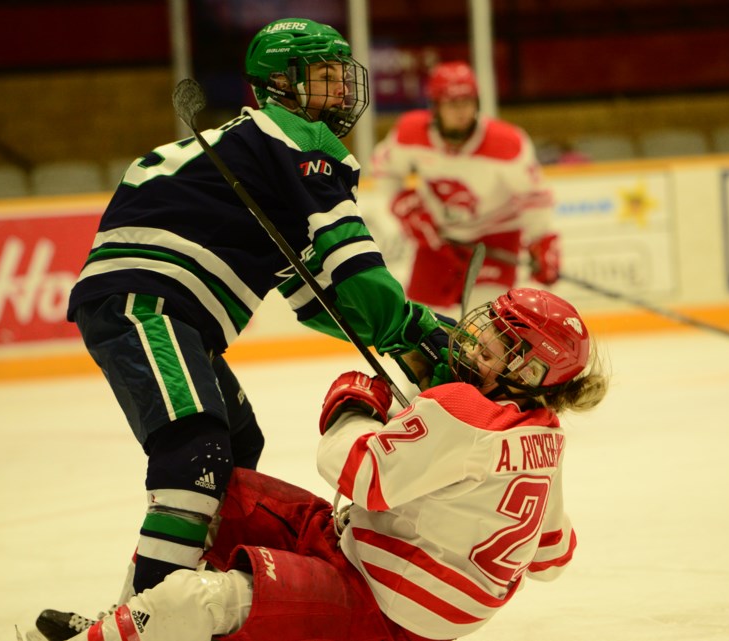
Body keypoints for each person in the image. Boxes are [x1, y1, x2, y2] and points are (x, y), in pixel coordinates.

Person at [43, 17, 453, 633]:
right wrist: (413, 329)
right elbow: (357, 275)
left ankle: (136, 613)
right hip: (150, 305)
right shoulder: (297, 145)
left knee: (235, 451)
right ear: (278, 87)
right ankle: (146, 626)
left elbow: (318, 297)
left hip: (158, 307)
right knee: (197, 452)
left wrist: (394, 334)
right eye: (322, 76)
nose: (340, 91)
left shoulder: (252, 155)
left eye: (342, 75)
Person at [27, 287, 608, 641]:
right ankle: (125, 621)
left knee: (199, 600)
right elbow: (553, 556)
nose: (474, 342)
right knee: (228, 495)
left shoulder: (462, 413)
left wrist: (359, 398)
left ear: (528, 373)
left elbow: (359, 473)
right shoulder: (543, 435)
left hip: (381, 610)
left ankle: (119, 631)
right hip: (370, 560)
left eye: (492, 346)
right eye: (487, 330)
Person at [370, 61, 561, 314]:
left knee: (485, 323)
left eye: (468, 101)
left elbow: (533, 198)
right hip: (439, 240)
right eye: (452, 103)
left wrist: (542, 241)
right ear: (435, 106)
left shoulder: (507, 143)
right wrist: (404, 203)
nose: (462, 111)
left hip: (496, 238)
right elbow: (384, 169)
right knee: (420, 323)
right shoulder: (410, 132)